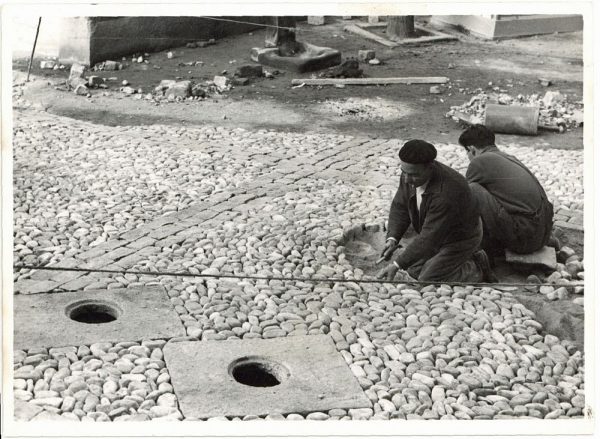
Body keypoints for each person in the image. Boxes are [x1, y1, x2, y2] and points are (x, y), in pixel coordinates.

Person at [377, 139, 496, 282]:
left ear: (430, 167)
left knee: (428, 278)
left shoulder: (448, 191)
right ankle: (443, 260)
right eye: (404, 172)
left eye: (413, 175)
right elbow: (400, 205)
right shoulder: (410, 173)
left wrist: (396, 265)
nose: (407, 180)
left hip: (460, 239)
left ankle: (476, 266)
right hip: (437, 233)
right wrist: (393, 238)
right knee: (413, 270)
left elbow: (429, 237)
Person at [458, 125, 555, 257]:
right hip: (543, 234)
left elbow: (460, 198)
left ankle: (480, 247)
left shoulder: (480, 162)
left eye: (466, 152)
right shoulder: (508, 157)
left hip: (526, 240)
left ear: (471, 149)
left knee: (472, 190)